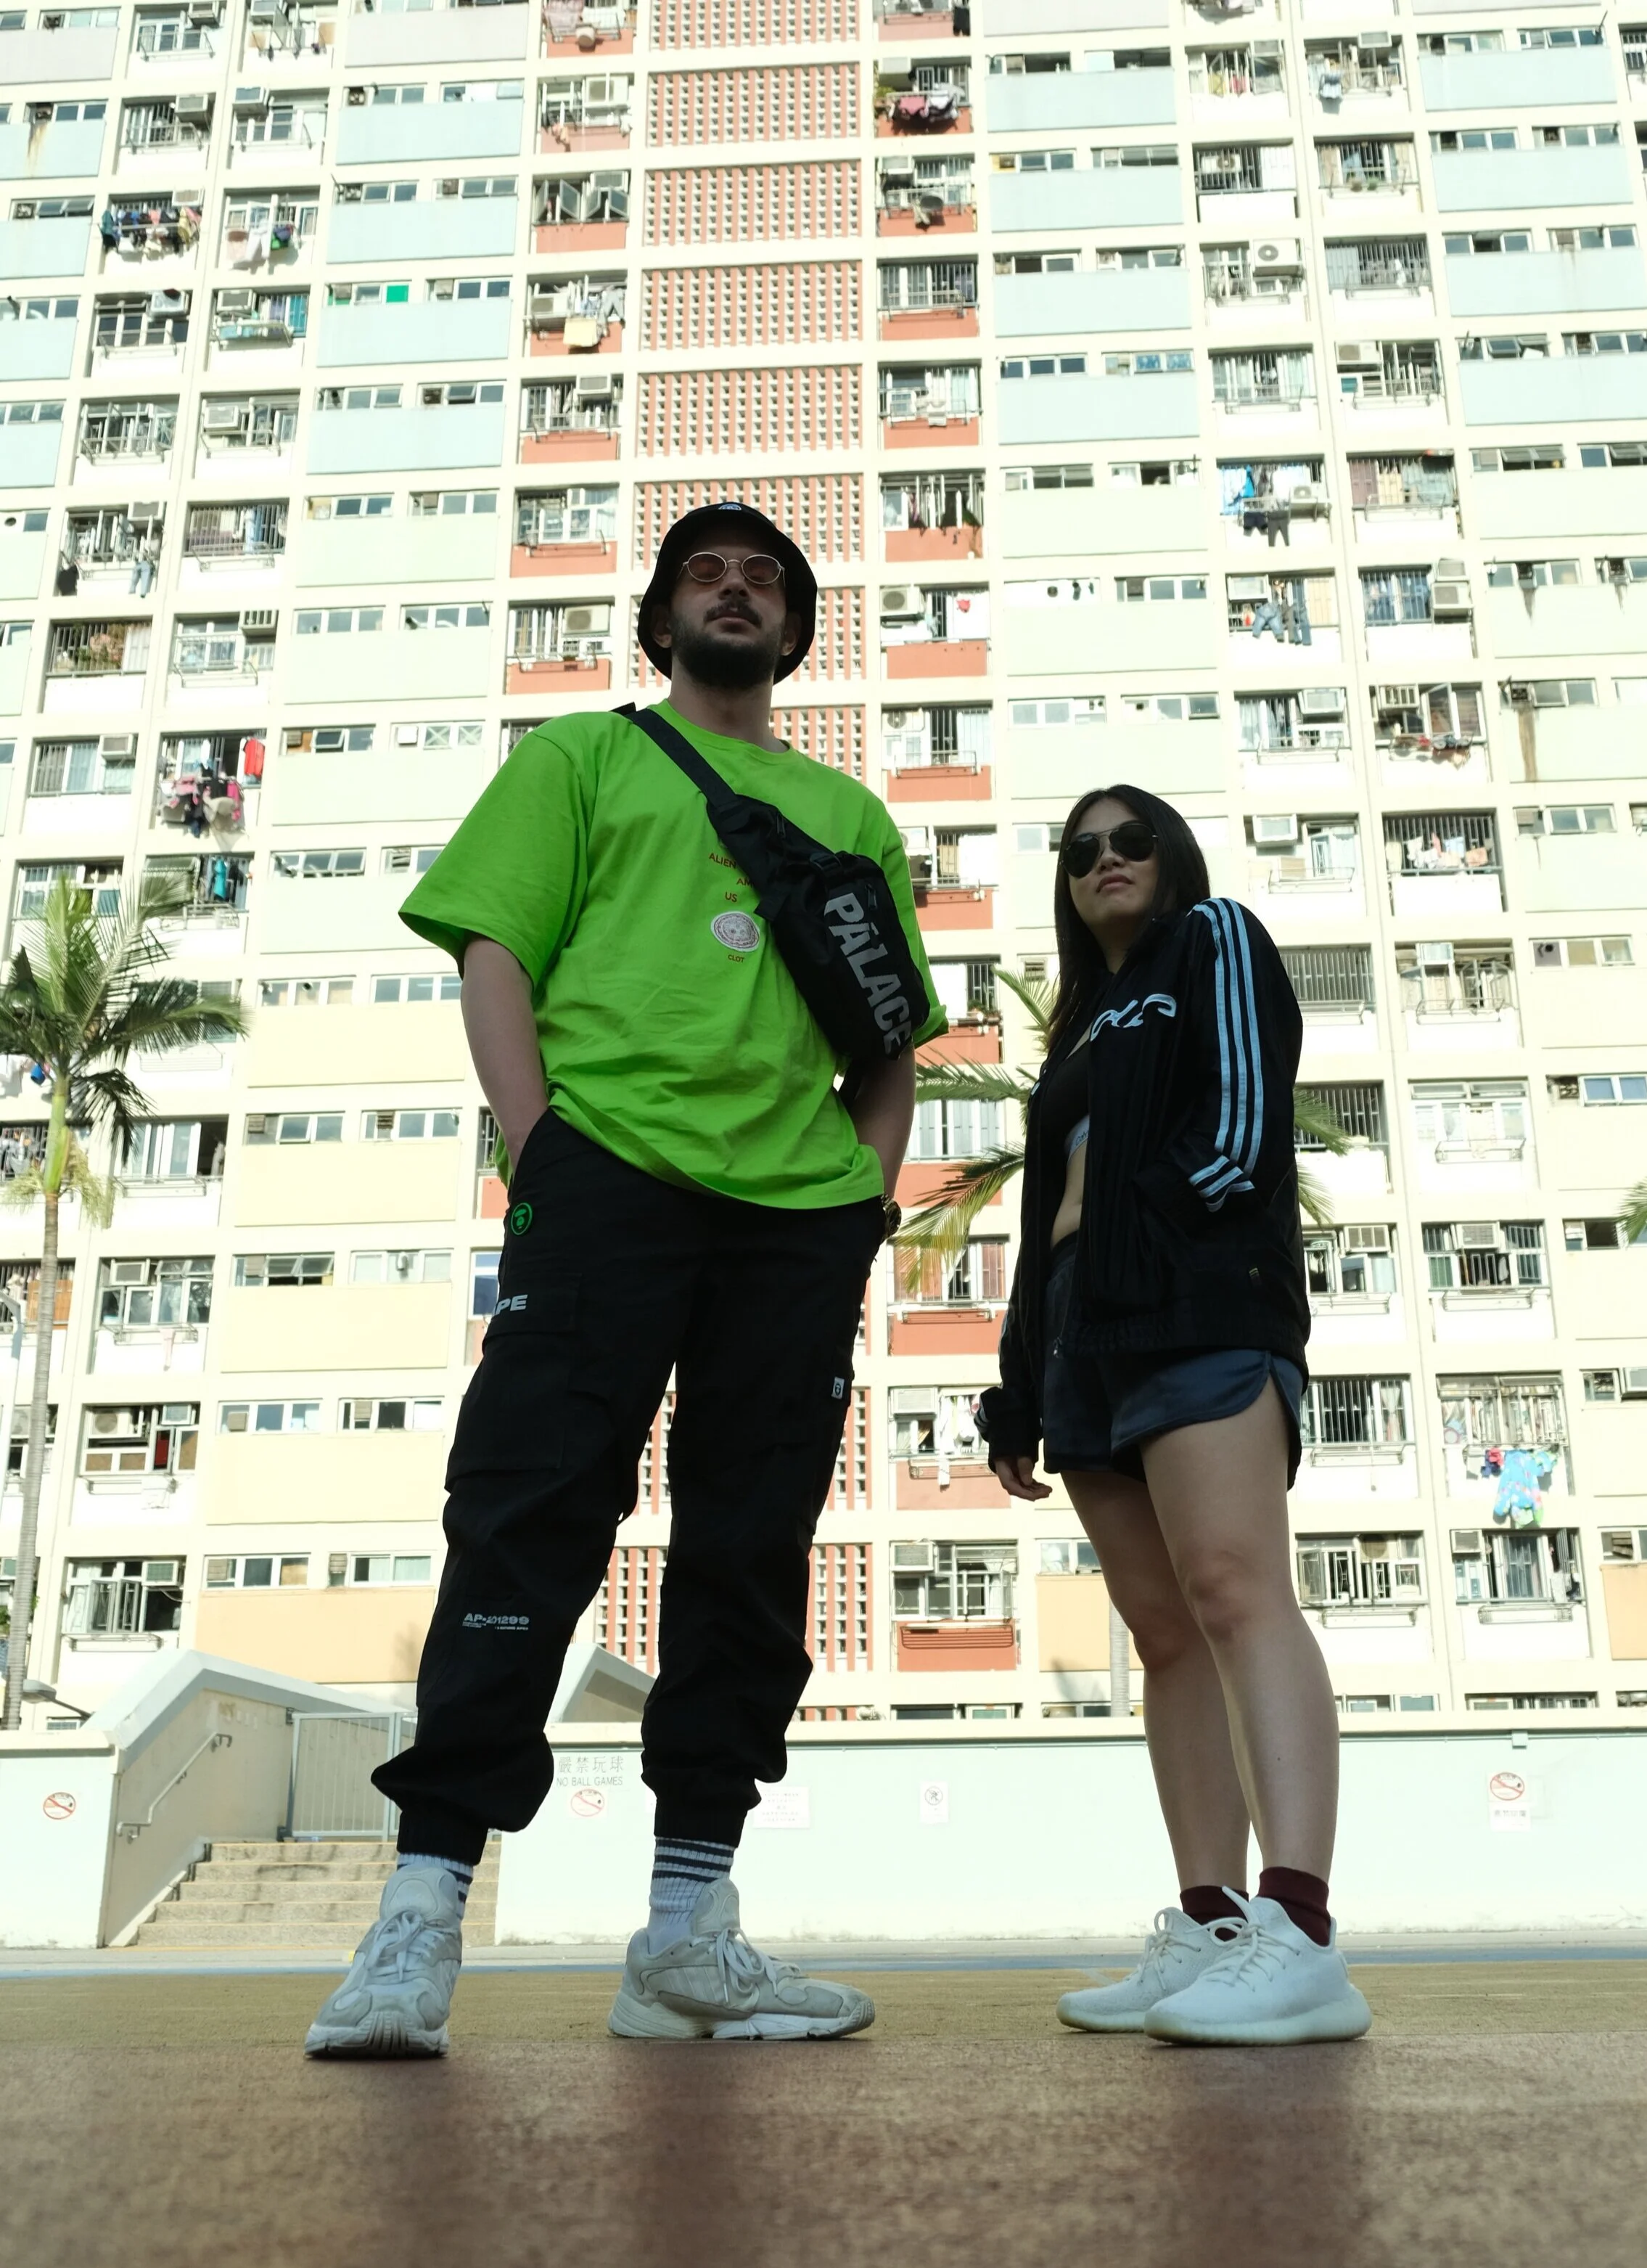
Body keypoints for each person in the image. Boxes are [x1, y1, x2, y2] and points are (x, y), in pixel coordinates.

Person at [304, 502, 946, 2056]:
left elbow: (888, 1043)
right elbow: (495, 954)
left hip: (796, 1218)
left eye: (764, 579)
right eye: (704, 574)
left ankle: (687, 1932)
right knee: (524, 1519)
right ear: (659, 620)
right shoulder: (580, 759)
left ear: (795, 630)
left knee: (750, 1552)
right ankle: (418, 1918)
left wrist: (859, 1205)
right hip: (607, 1180)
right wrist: (540, 1149)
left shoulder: (849, 815)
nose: (735, 590)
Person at [979, 786, 1371, 2047]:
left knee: (1234, 1588)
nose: (1106, 860)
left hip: (1198, 1306)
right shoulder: (1077, 1030)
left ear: (1171, 855)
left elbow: (1245, 1124)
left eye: (1130, 840)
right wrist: (1018, 1383)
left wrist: (1154, 1229)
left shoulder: (1213, 937)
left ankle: (1299, 1930)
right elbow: (1044, 1215)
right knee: (1163, 1636)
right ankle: (1209, 1927)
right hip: (1083, 1336)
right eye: (1081, 850)